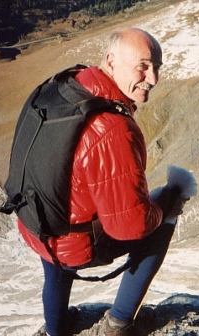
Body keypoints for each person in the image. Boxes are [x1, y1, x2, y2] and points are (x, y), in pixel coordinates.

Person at [17, 27, 188, 336]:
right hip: (73, 247)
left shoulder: (73, 83)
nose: (153, 79)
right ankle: (120, 322)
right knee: (168, 202)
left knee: (67, 237)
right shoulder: (113, 129)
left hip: (36, 226)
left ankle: (56, 328)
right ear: (111, 61)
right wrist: (161, 208)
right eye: (144, 66)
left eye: (157, 67)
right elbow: (131, 227)